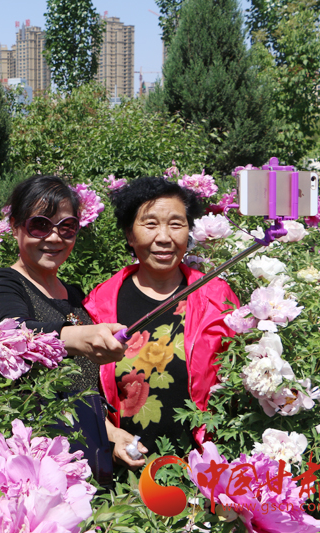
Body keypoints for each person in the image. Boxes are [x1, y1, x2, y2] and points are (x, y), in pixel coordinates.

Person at [0, 175, 128, 483]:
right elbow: (10, 331)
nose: (54, 237)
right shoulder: (2, 283)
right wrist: (76, 336)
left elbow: (80, 386)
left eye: (66, 227)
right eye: (40, 225)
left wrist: (113, 433)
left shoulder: (74, 296)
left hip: (90, 451)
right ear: (16, 226)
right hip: (34, 458)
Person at [83, 176, 239, 470]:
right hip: (126, 473)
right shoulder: (100, 303)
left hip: (203, 469)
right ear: (130, 234)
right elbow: (83, 388)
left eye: (176, 224)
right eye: (150, 224)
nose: (164, 237)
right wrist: (112, 437)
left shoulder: (217, 298)